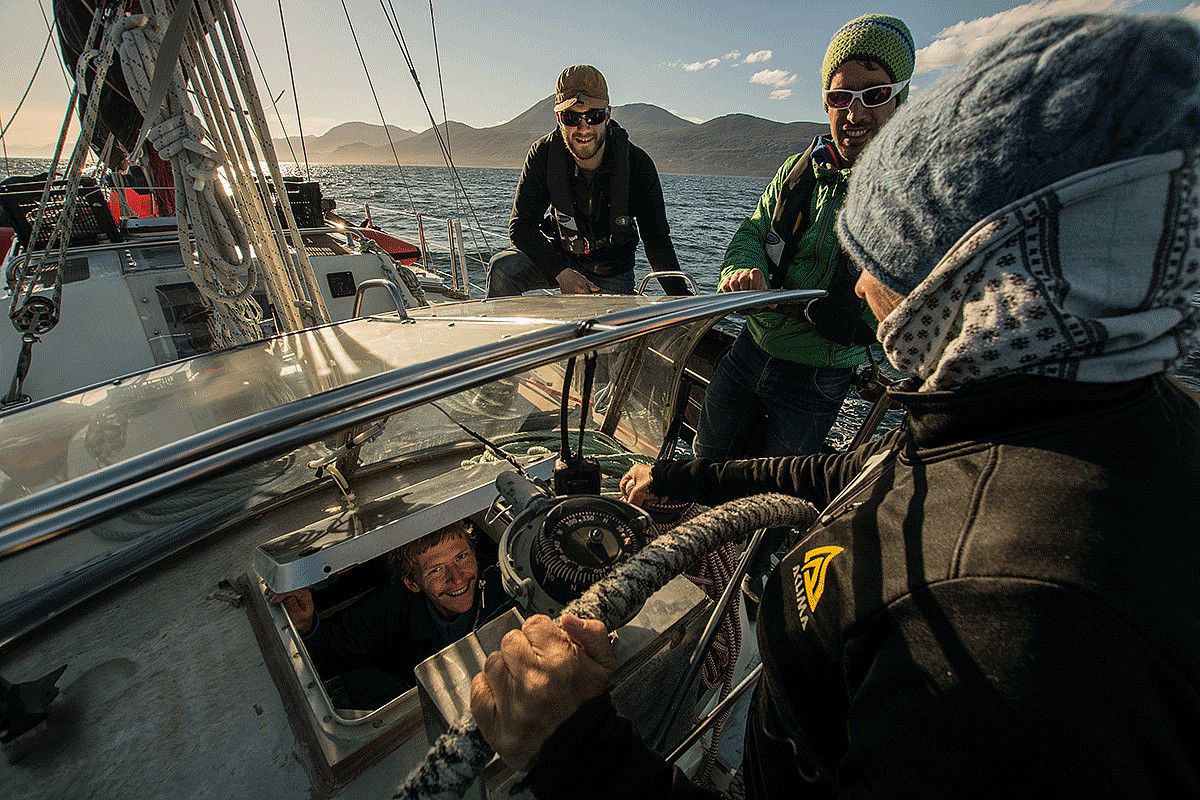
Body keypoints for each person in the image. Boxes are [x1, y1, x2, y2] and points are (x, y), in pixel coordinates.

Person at [468, 13, 1200, 798]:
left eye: (883, 251)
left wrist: (572, 746)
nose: (858, 283)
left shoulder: (1001, 622)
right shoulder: (1045, 414)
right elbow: (853, 472)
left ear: (959, 277)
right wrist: (689, 479)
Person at [695, 14, 914, 462]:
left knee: (778, 489)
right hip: (749, 348)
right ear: (826, 103)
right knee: (708, 456)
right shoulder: (798, 172)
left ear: (900, 100)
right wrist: (740, 269)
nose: (854, 114)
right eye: (840, 97)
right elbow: (752, 232)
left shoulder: (912, 196)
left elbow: (909, 304)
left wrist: (859, 319)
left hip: (817, 376)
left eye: (873, 95)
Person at [485, 64, 689, 298]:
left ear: (608, 115)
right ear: (558, 118)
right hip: (561, 257)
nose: (583, 128)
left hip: (612, 271)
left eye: (594, 115)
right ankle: (508, 335)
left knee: (611, 330)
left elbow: (657, 242)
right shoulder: (543, 155)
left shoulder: (638, 165)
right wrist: (561, 272)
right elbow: (521, 226)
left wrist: (683, 302)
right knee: (502, 269)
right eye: (571, 117)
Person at [268, 519, 509, 709]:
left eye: (461, 557)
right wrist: (306, 625)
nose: (457, 577)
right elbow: (335, 649)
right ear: (412, 584)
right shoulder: (392, 605)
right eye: (436, 570)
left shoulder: (506, 583)